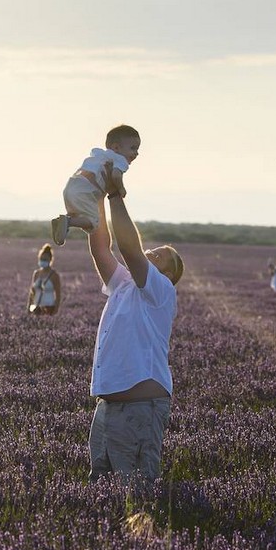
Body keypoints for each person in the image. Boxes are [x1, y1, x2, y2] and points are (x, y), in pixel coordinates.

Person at [87, 184, 185, 483]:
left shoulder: (160, 290)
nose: (151, 251)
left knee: (136, 489)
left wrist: (116, 195)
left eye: (160, 257)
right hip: (107, 407)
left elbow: (129, 248)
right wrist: (97, 198)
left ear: (166, 275)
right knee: (101, 486)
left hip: (141, 408)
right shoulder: (123, 284)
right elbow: (102, 248)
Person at [51, 124, 140, 245]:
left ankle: (61, 224)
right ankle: (68, 222)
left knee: (77, 214)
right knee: (93, 222)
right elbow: (115, 175)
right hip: (85, 192)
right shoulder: (120, 160)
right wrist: (121, 188)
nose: (136, 153)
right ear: (116, 148)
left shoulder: (100, 155)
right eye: (133, 148)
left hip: (72, 186)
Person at [27, 243, 63, 315]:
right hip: (36, 308)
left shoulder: (54, 275)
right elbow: (32, 292)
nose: (43, 261)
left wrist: (56, 310)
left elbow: (58, 295)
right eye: (41, 259)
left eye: (45, 259)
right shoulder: (36, 273)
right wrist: (29, 306)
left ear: (50, 260)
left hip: (49, 307)